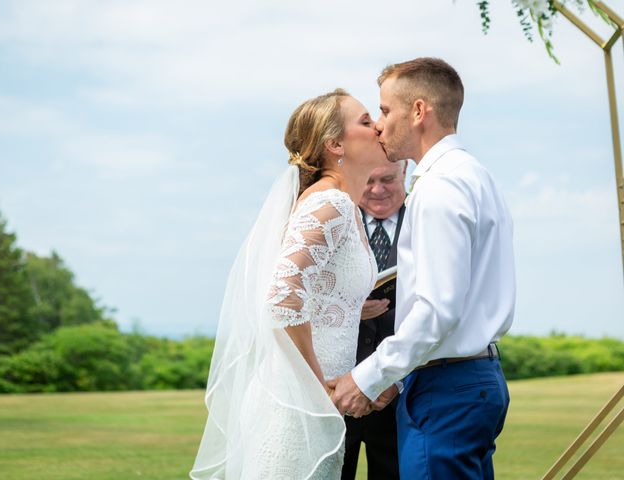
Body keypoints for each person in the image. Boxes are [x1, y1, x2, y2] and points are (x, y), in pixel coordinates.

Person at [329, 58, 516, 479]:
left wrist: (368, 377)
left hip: (447, 390)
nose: (378, 124)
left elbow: (437, 310)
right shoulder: (475, 175)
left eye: (385, 110)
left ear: (418, 112)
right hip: (466, 379)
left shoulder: (439, 187)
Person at [189, 88, 389, 479]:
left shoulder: (343, 203)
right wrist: (320, 388)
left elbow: (313, 293)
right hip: (297, 403)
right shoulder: (329, 203)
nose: (379, 126)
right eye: (365, 121)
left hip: (315, 401)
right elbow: (282, 300)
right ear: (335, 144)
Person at [342, 160, 407, 480]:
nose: (378, 190)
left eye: (388, 179)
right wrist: (348, 308)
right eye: (369, 180)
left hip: (401, 397)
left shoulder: (426, 221)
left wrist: (394, 382)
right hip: (338, 390)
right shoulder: (336, 222)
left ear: (405, 172)